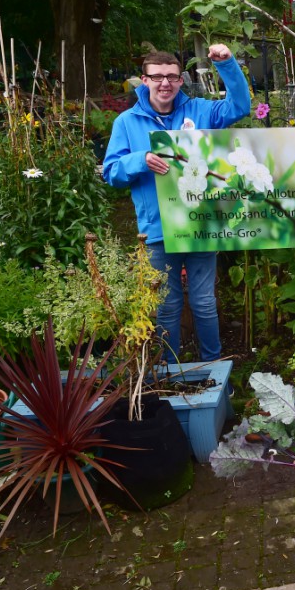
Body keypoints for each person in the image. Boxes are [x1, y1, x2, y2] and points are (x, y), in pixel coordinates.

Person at [103, 45, 251, 363]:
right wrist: (140, 160)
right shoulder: (126, 123)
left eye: (172, 76)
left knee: (203, 302)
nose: (165, 83)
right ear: (144, 81)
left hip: (199, 225)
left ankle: (213, 368)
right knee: (166, 305)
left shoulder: (200, 111)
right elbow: (112, 173)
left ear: (181, 80)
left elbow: (239, 106)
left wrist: (227, 65)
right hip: (157, 229)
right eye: (157, 77)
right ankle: (169, 373)